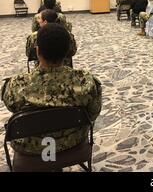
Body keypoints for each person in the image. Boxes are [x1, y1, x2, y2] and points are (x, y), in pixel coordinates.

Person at [2, 23, 102, 155]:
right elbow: (93, 113)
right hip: (72, 141)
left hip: (30, 146)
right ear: (67, 52)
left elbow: (12, 108)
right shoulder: (85, 82)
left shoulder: (17, 85)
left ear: (37, 52)